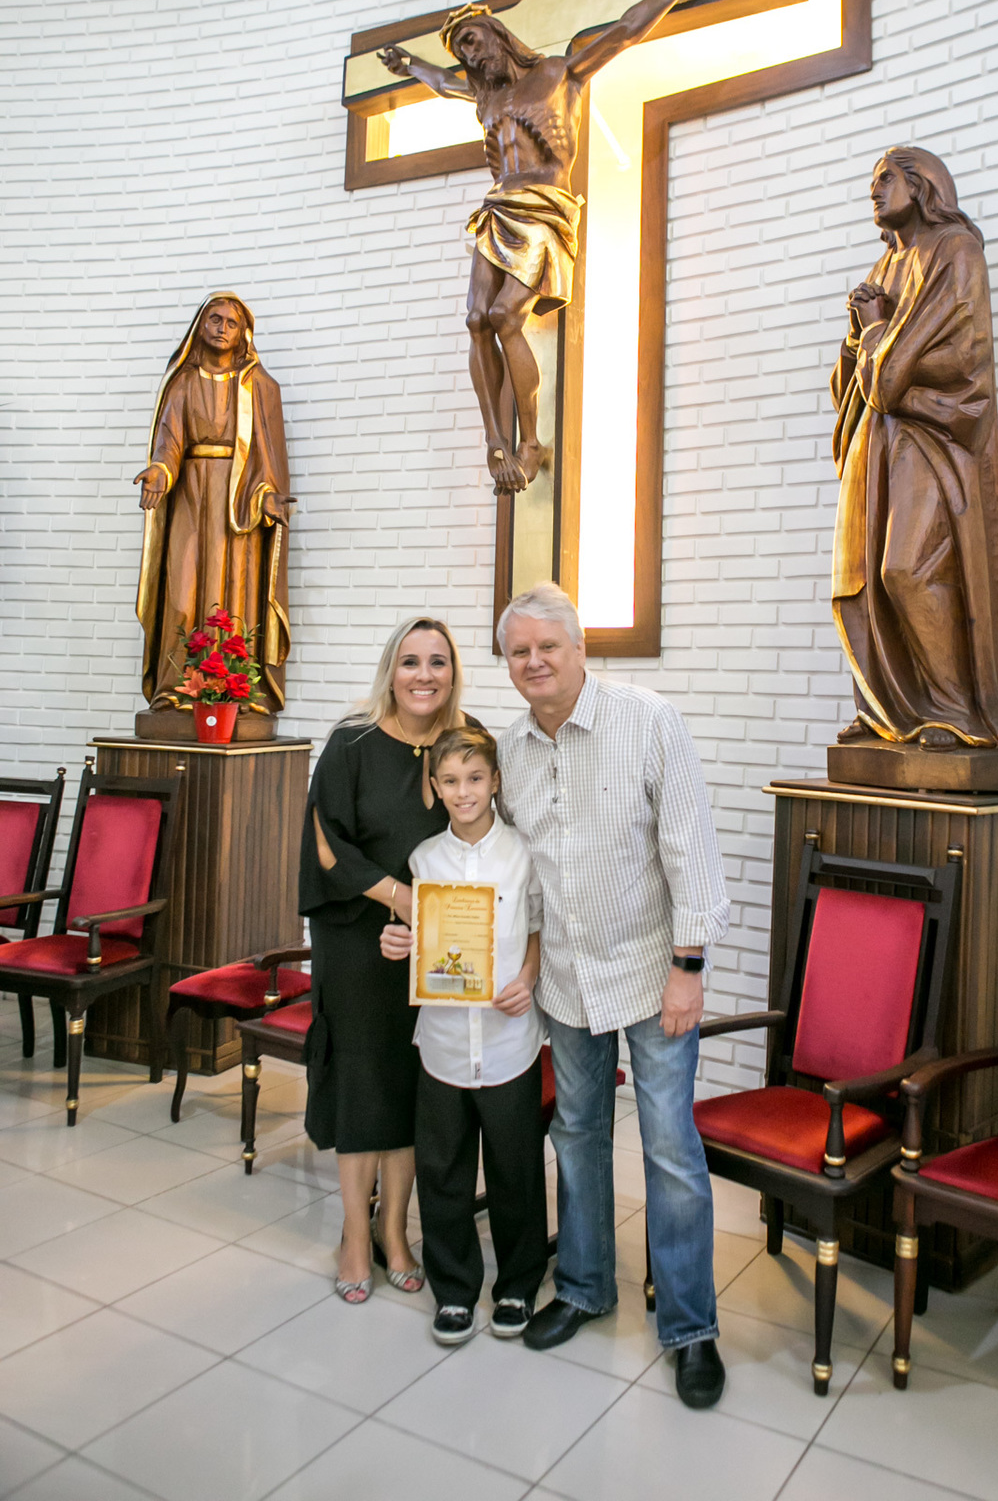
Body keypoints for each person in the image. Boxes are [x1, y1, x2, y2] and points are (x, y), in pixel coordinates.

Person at [376, 0, 731, 495]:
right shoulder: (484, 98)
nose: (470, 56)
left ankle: (530, 442)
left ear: (496, 34)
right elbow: (442, 83)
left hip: (545, 206)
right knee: (476, 319)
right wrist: (410, 65)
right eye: (462, 51)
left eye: (472, 41)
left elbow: (626, 29)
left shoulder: (559, 73)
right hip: (498, 208)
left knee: (506, 316)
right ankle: (495, 441)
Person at [494, 581, 730, 1408]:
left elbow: (690, 847)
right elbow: (519, 874)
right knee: (578, 1138)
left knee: (669, 1151)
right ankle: (586, 1288)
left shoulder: (648, 721)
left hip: (650, 975)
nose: (534, 662)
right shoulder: (510, 750)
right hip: (565, 980)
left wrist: (688, 968)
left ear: (580, 648)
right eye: (519, 651)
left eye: (547, 647)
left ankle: (691, 1329)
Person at [829, 148, 998, 751]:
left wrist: (874, 332)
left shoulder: (955, 252)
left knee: (907, 569)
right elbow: (859, 384)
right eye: (871, 182)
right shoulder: (884, 266)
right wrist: (858, 340)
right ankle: (886, 709)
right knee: (862, 579)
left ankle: (954, 710)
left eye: (886, 179)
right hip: (878, 441)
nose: (874, 191)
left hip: (932, 438)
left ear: (922, 186)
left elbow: (949, 365)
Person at [298, 617, 474, 1302]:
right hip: (356, 936)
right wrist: (401, 896)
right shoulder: (352, 742)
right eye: (410, 661)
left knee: (412, 1087)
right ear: (390, 671)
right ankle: (353, 1233)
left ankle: (394, 1230)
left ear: (453, 674)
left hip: (433, 943)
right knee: (363, 1083)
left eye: (438, 662)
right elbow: (326, 844)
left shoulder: (465, 742)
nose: (424, 675)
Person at [382, 724, 547, 1346]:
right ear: (435, 787)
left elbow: (538, 929)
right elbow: (410, 936)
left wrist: (527, 979)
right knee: (444, 1171)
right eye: (450, 781)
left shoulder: (524, 853)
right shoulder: (422, 861)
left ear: (496, 781)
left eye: (475, 778)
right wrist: (395, 941)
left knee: (515, 1170)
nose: (464, 791)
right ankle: (453, 1291)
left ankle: (518, 1285)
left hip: (509, 1042)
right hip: (444, 1045)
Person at [135, 291, 290, 715]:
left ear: (243, 334)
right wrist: (160, 471)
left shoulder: (259, 386)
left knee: (235, 593)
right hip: (189, 494)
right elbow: (169, 441)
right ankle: (176, 688)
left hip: (238, 504)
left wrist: (267, 495)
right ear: (200, 326)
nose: (222, 328)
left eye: (231, 323)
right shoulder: (182, 383)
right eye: (215, 319)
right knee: (182, 590)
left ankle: (232, 690)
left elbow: (269, 455)